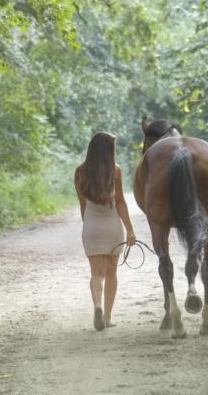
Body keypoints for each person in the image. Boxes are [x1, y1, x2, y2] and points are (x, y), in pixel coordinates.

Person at [74, 131, 136, 331]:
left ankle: (97, 306)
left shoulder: (80, 172)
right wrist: (130, 230)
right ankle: (107, 317)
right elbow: (121, 203)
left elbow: (83, 203)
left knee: (96, 273)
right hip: (112, 227)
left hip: (91, 226)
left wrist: (87, 226)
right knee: (111, 273)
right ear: (109, 150)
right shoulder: (115, 170)